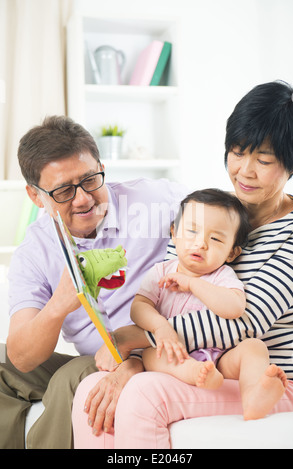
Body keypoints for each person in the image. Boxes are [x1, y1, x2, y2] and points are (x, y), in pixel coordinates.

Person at [72, 80, 293, 449]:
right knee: (90, 391)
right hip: (199, 363)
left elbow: (244, 323)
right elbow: (162, 285)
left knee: (145, 395)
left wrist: (135, 340)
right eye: (237, 153)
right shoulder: (209, 209)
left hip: (269, 380)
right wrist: (134, 361)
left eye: (264, 160)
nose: (244, 171)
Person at [0, 115, 188, 449]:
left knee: (72, 377)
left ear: (102, 167)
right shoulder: (34, 251)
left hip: (151, 349)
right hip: (97, 354)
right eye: (63, 191)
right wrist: (59, 305)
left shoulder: (158, 202)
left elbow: (229, 223)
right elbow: (22, 357)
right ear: (35, 195)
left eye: (90, 180)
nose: (83, 199)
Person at [130, 188, 288, 420]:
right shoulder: (161, 271)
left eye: (215, 239)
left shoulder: (222, 275)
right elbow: (139, 307)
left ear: (232, 253)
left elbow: (234, 308)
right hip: (176, 355)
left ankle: (254, 395)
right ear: (174, 233)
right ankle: (195, 372)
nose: (201, 243)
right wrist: (160, 327)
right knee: (150, 355)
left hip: (222, 358)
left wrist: (193, 284)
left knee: (254, 347)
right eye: (192, 231)